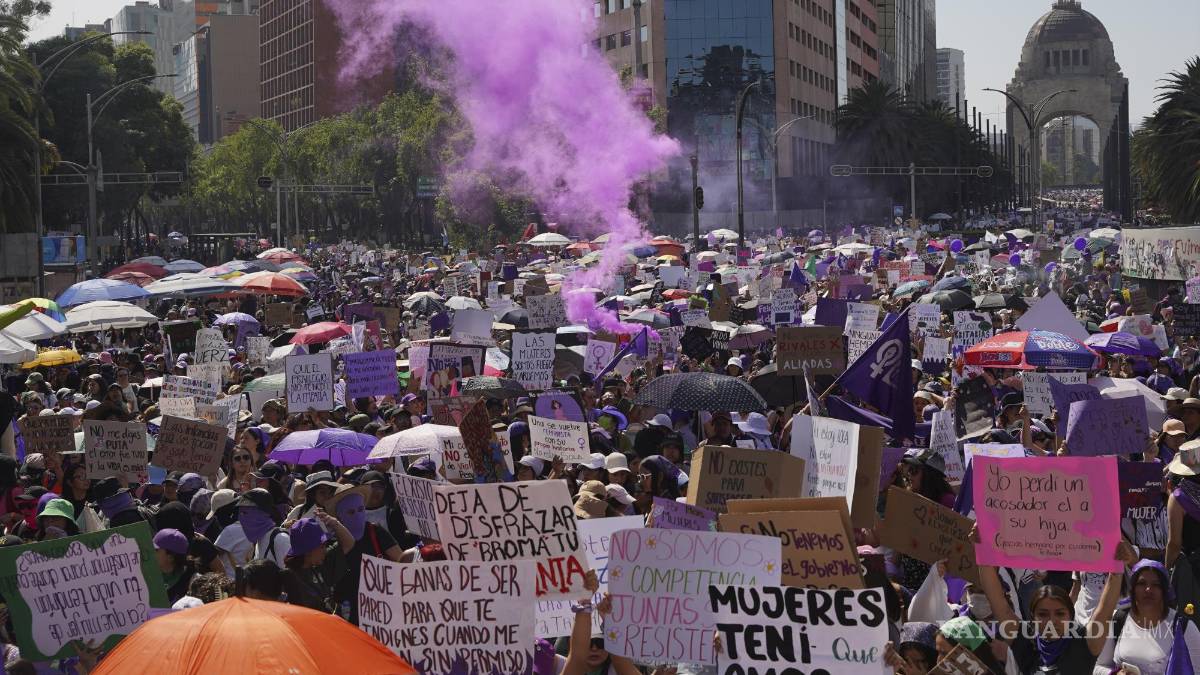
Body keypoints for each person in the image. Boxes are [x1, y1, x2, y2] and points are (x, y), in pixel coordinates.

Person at [1093, 559, 1200, 675]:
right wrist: (1115, 673)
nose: (1148, 589)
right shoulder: (1117, 619)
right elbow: (1099, 667)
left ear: (1164, 591)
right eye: (1142, 583)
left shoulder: (1184, 627)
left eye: (1156, 585)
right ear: (1133, 589)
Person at [281, 511, 355, 613]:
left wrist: (334, 523)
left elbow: (349, 543)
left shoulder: (320, 563)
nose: (325, 550)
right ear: (308, 550)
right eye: (322, 546)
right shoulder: (289, 577)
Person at [153, 528, 196, 604]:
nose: (151, 552)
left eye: (156, 550)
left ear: (171, 557)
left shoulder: (192, 582)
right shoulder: (146, 573)